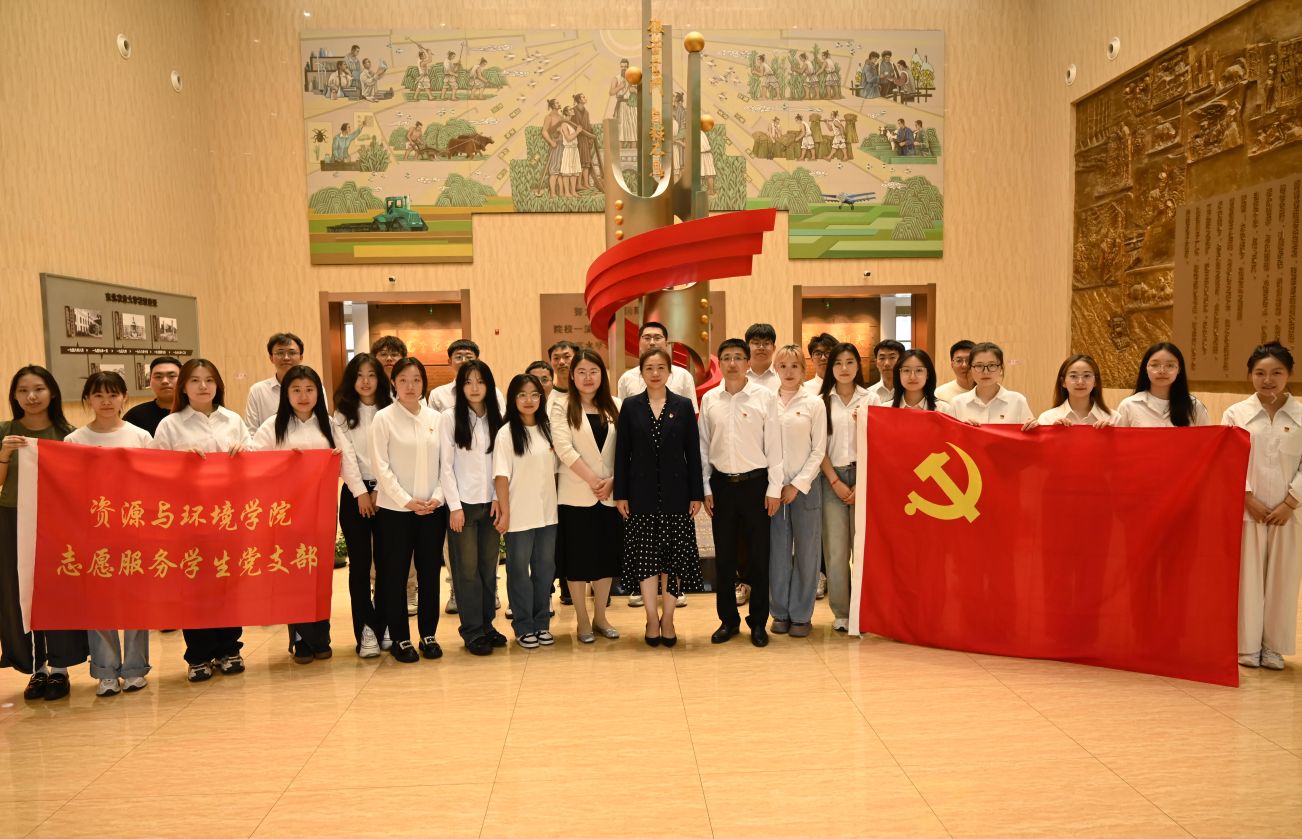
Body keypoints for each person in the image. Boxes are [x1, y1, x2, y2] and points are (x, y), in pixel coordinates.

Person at [252, 365, 360, 663]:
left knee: (318, 572)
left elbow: (348, 462)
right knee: (293, 573)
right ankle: (300, 638)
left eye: (309, 390)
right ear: (286, 394)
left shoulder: (329, 425)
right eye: (296, 390)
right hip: (285, 513)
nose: (303, 396)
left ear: (319, 393)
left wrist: (360, 493)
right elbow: (253, 461)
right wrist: (284, 461)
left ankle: (320, 636)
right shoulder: (273, 426)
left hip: (321, 511)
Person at [151, 359, 250, 682]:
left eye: (209, 380)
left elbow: (255, 466)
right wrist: (179, 463)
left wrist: (244, 453)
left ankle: (229, 648)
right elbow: (155, 471)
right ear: (184, 387)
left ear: (218, 385)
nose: (203, 386)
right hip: (189, 520)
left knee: (227, 584)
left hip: (228, 517)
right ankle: (198, 654)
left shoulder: (233, 420)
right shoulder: (170, 425)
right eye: (195, 380)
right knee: (194, 587)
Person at [66, 372, 153, 696]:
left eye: (113, 395)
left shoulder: (141, 436)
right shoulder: (74, 440)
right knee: (99, 603)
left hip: (134, 529)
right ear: (88, 399)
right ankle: (105, 670)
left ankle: (135, 669)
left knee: (135, 602)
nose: (106, 401)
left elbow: (155, 481)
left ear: (124, 398)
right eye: (98, 395)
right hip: (93, 531)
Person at [1, 366, 82, 700]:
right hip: (11, 518)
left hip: (58, 523)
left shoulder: (69, 435)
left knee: (58, 592)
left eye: (38, 389)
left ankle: (60, 669)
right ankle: (36, 669)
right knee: (18, 592)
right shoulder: (5, 431)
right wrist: (4, 454)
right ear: (14, 396)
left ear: (52, 393)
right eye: (23, 390)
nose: (31, 397)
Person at [614, 348, 704, 647]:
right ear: (641, 373)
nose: (655, 373)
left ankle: (668, 618)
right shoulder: (630, 406)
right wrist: (621, 494)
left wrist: (696, 493)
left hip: (677, 494)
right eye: (649, 368)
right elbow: (622, 454)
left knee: (673, 561)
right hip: (640, 495)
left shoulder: (683, 405)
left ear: (669, 372)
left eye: (661, 367)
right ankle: (652, 618)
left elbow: (693, 453)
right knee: (647, 560)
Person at [1223, 342, 1302, 671]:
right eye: (1260, 373)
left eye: (1276, 373)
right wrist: (1247, 497)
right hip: (1247, 510)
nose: (1268, 380)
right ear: (1250, 375)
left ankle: (1274, 648)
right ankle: (1247, 646)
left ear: (1289, 375)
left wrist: (1291, 502)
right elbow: (1227, 459)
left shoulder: (1300, 415)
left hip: (1289, 514)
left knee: (1284, 579)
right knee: (1248, 580)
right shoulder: (1236, 414)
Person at [700, 338, 783, 647]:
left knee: (759, 557)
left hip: (756, 485)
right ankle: (728, 621)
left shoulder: (765, 398)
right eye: (726, 357)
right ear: (719, 363)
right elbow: (703, 446)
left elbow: (774, 445)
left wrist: (774, 488)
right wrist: (705, 486)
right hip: (722, 486)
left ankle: (758, 622)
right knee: (725, 558)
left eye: (738, 357)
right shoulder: (710, 399)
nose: (732, 363)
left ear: (748, 363)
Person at [371, 357, 447, 663]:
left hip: (432, 510)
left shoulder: (437, 419)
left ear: (424, 383)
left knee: (430, 574)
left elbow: (446, 465)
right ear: (393, 383)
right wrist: (406, 500)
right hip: (395, 512)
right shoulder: (383, 418)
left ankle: (428, 634)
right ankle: (400, 637)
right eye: (403, 380)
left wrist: (437, 497)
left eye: (416, 379)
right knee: (395, 575)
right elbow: (381, 466)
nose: (410, 386)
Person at [553, 350, 623, 643]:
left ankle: (601, 617)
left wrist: (613, 481)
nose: (587, 377)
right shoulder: (560, 406)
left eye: (593, 371)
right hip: (575, 496)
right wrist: (594, 480)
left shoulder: (616, 405)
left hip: (610, 495)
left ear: (602, 375)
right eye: (581, 372)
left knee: (606, 559)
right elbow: (563, 448)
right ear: (572, 376)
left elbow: (627, 450)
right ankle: (582, 619)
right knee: (578, 561)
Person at [441, 360, 508, 656]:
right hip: (463, 507)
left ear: (489, 385)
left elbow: (501, 463)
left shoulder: (498, 418)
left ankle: (487, 625)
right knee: (466, 570)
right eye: (468, 382)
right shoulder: (449, 418)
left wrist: (497, 497)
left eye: (480, 381)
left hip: (490, 503)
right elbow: (444, 466)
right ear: (460, 387)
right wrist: (454, 506)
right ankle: (472, 631)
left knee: (487, 568)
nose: (475, 387)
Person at [494, 374, 559, 648]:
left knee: (545, 570)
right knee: (519, 571)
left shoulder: (548, 429)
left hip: (548, 514)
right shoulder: (506, 433)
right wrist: (505, 513)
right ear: (513, 399)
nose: (529, 400)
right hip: (519, 514)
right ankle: (523, 626)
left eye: (534, 394)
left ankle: (542, 623)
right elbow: (501, 476)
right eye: (522, 394)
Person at [332, 354, 391, 658]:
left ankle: (385, 623)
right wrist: (361, 493)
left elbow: (390, 453)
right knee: (359, 564)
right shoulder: (341, 414)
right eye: (359, 375)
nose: (366, 381)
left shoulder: (391, 409)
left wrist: (380, 488)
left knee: (386, 563)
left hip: (388, 494)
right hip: (355, 495)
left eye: (372, 375)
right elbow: (346, 456)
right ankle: (366, 629)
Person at [769, 346, 826, 638]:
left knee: (807, 551)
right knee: (778, 552)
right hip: (774, 489)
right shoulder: (768, 402)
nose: (789, 371)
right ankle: (779, 612)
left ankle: (802, 615)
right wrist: (777, 484)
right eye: (783, 366)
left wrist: (797, 484)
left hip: (806, 488)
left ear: (804, 370)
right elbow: (765, 446)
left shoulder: (815, 403)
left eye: (795, 366)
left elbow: (819, 450)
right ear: (775, 369)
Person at [818, 343, 871, 632]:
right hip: (832, 478)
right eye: (838, 363)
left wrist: (861, 482)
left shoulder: (871, 398)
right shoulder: (821, 401)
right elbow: (818, 447)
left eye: (850, 362)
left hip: (866, 476)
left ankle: (864, 611)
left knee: (862, 549)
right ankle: (841, 612)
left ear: (858, 366)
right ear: (831, 368)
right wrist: (836, 481)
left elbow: (879, 443)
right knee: (836, 551)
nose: (844, 368)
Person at [1111, 342, 1209, 427]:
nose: (1162, 371)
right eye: (1155, 365)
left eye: (1170, 365)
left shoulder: (1195, 408)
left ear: (1179, 369)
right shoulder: (1129, 405)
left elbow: (1206, 441)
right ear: (1145, 368)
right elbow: (1119, 440)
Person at [616, 322, 700, 409]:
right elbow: (622, 413)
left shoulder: (683, 376)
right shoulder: (626, 378)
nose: (652, 342)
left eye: (657, 338)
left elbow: (691, 412)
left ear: (666, 343)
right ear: (639, 343)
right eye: (647, 338)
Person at [950, 342, 1034, 425]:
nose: (986, 372)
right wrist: (963, 430)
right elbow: (950, 433)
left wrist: (1033, 427)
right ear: (970, 369)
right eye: (979, 366)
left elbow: (1029, 432)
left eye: (992, 365)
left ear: (1001, 368)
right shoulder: (957, 404)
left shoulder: (1017, 401)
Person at [245, 332, 306, 433]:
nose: (286, 357)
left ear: (301, 357)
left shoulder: (315, 388)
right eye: (280, 353)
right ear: (271, 358)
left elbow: (321, 423)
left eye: (292, 353)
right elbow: (251, 432)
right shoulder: (257, 391)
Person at [428, 339, 504, 413]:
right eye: (459, 357)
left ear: (477, 361)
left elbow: (501, 418)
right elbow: (433, 421)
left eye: (469, 357)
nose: (464, 361)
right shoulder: (437, 394)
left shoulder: (492, 391)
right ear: (450, 362)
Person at [1035, 354, 1111, 426]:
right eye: (1073, 376)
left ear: (1095, 381)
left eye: (1086, 376)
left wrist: (1111, 432)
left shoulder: (1112, 418)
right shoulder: (1047, 419)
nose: (1080, 382)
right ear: (1063, 382)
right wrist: (1053, 432)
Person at [123, 355, 181, 436]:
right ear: (150, 381)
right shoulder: (135, 416)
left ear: (183, 380)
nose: (165, 381)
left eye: (171, 376)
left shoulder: (194, 412)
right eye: (158, 376)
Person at [890, 348, 954, 414]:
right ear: (899, 374)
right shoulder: (886, 408)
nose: (912, 377)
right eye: (906, 370)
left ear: (927, 374)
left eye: (919, 370)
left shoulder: (943, 410)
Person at [744, 323, 779, 393]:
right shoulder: (738, 374)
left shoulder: (782, 374)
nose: (761, 347)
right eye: (756, 343)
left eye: (766, 343)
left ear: (774, 348)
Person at [868, 339, 905, 405]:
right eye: (882, 358)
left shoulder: (910, 392)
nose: (887, 363)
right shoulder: (868, 394)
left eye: (892, 357)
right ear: (876, 363)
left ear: (902, 361)